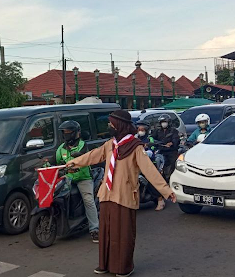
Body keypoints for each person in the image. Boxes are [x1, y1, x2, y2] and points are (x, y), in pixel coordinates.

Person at [66, 110, 176, 277]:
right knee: (107, 233)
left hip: (124, 195)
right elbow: (93, 156)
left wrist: (166, 191)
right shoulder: (111, 144)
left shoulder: (135, 146)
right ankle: (105, 264)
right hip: (107, 194)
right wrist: (73, 162)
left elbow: (149, 170)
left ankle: (124, 267)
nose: (109, 127)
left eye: (111, 124)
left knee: (123, 234)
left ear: (120, 126)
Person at [51, 121, 100, 242]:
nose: (65, 134)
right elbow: (55, 162)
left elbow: (85, 157)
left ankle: (95, 229)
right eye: (64, 132)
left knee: (88, 200)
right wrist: (45, 164)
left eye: (67, 132)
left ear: (74, 133)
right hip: (68, 178)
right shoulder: (61, 149)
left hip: (83, 178)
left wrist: (78, 160)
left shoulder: (83, 145)